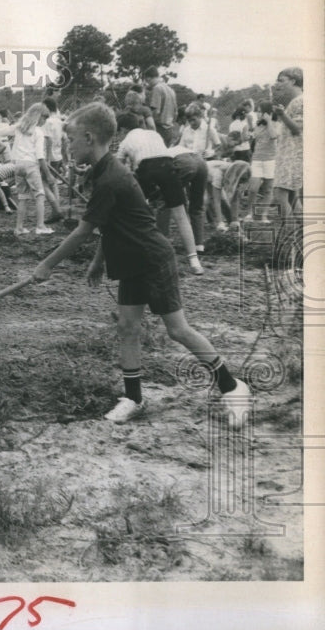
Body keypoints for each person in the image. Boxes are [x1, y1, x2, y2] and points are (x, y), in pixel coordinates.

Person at [32, 103, 250, 428]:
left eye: (72, 140)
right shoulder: (103, 172)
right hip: (131, 260)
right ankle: (133, 398)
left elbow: (83, 230)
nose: (69, 146)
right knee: (127, 327)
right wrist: (96, 263)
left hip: (151, 259)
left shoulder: (110, 178)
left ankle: (233, 388)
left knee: (177, 330)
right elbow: (112, 225)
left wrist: (46, 265)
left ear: (90, 138)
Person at [115, 113, 204, 275]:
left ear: (123, 129)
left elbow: (119, 170)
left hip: (146, 168)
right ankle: (194, 261)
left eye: (119, 131)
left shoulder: (125, 141)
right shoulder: (153, 133)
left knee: (140, 213)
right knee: (181, 215)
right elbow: (160, 154)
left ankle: (142, 252)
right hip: (168, 166)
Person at [10, 103, 55, 236]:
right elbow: (40, 157)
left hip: (18, 165)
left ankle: (19, 227)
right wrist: (48, 175)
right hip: (31, 165)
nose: (45, 121)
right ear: (38, 116)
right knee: (40, 195)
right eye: (44, 117)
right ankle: (40, 226)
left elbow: (0, 132)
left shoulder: (20, 129)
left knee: (22, 197)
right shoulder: (38, 132)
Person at [269, 67, 303, 221]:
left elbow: (298, 129)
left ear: (293, 81)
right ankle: (302, 238)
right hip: (291, 155)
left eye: (282, 80)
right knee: (293, 198)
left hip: (291, 156)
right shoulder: (296, 102)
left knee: (280, 196)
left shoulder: (301, 101)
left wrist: (282, 115)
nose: (278, 84)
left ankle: (289, 241)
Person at [243, 105, 276, 222]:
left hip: (270, 160)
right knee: (253, 189)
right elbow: (252, 138)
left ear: (267, 113)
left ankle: (264, 216)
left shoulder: (276, 124)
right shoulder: (257, 125)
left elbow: (273, 136)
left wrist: (269, 121)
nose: (257, 114)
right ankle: (249, 214)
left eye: (260, 112)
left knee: (268, 189)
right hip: (257, 159)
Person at [143, 66, 178, 145]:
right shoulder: (170, 90)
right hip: (170, 128)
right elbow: (176, 112)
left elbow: (156, 111)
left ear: (148, 78)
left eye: (147, 81)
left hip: (160, 129)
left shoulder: (157, 88)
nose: (148, 84)